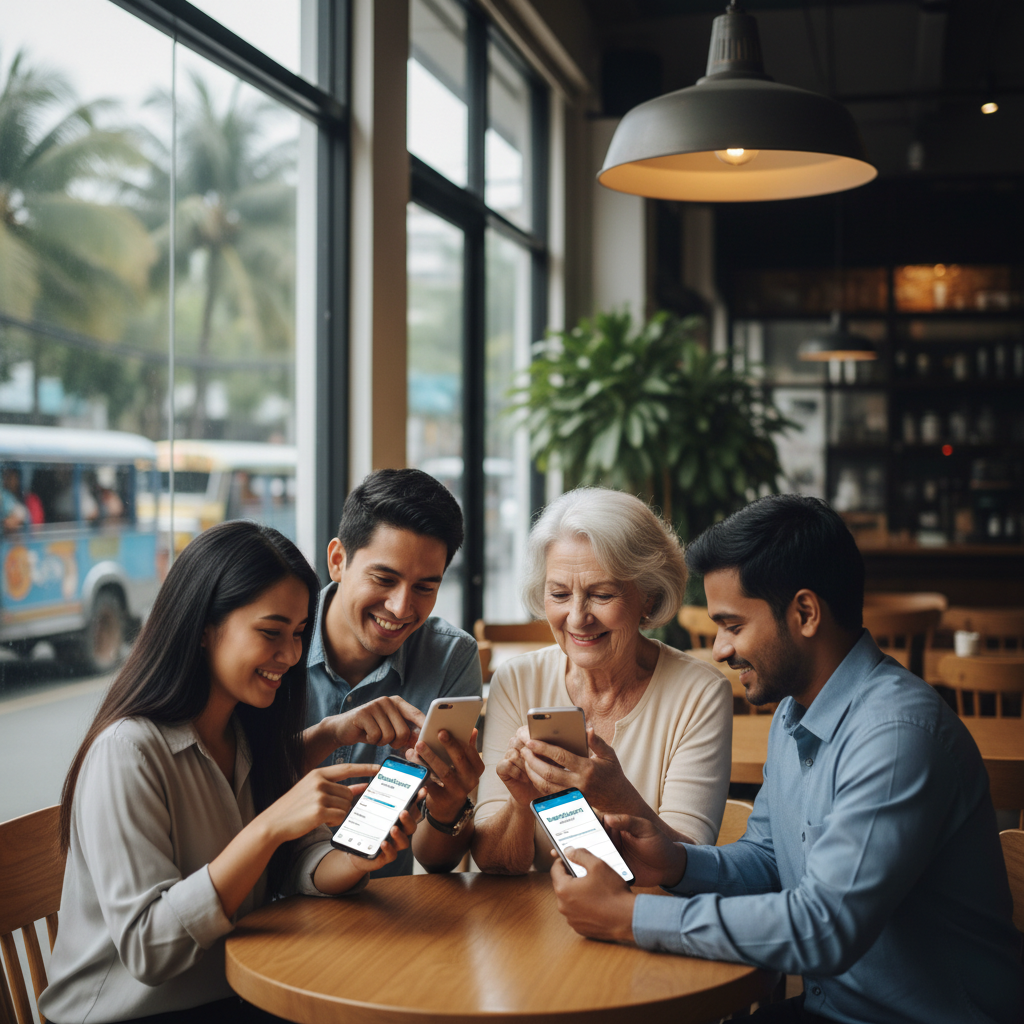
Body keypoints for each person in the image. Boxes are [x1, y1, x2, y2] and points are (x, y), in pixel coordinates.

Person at [549, 494, 1023, 1024]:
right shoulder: (794, 713)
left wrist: (629, 916)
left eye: (732, 626)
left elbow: (825, 928)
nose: (720, 650)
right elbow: (770, 862)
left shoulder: (895, 736)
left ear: (805, 614)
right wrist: (676, 862)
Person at [40, 521, 419, 1024]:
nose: (292, 655)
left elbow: (298, 862)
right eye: (270, 632)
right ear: (203, 627)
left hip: (236, 992)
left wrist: (357, 858)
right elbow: (150, 950)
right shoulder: (126, 752)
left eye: (299, 634)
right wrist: (269, 827)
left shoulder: (243, 733)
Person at [472, 487, 732, 875]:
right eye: (559, 593)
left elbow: (690, 866)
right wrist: (520, 804)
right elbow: (494, 865)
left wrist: (618, 797)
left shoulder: (700, 693)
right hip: (532, 911)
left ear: (648, 597)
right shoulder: (516, 680)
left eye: (602, 594)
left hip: (641, 909)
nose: (578, 617)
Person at [300, 468, 484, 875]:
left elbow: (435, 861)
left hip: (380, 905)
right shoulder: (279, 638)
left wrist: (449, 805)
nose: (401, 608)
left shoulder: (451, 657)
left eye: (424, 588)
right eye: (384, 578)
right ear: (337, 560)